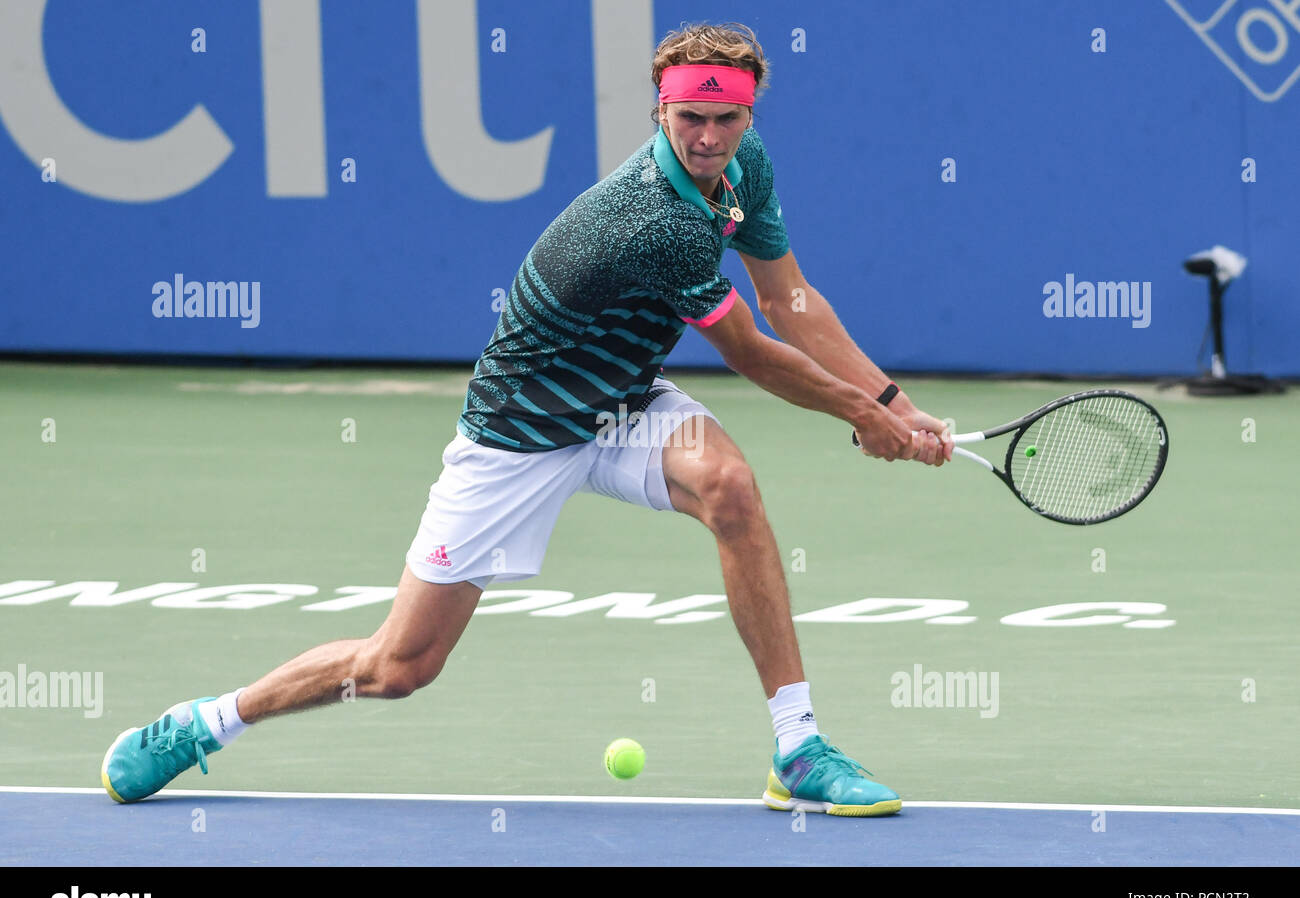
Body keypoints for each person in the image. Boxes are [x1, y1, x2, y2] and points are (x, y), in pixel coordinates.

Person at [101, 21, 952, 817]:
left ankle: (797, 749)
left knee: (729, 487)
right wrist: (866, 419)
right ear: (660, 109)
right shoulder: (654, 219)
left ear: (748, 113)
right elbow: (754, 353)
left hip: (622, 402)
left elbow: (789, 301)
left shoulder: (744, 165)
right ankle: (208, 722)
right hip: (521, 430)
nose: (707, 138)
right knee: (400, 666)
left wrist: (894, 405)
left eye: (726, 119)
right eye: (691, 117)